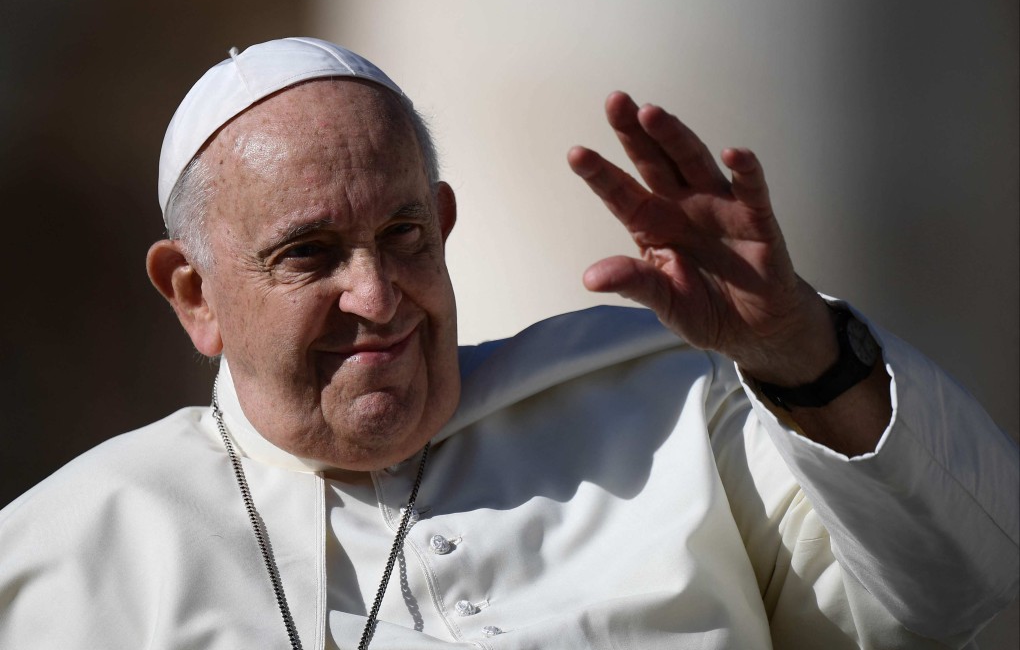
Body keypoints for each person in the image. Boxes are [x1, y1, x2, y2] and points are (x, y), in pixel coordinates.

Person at [0, 37, 1016, 650]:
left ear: (442, 221)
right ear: (194, 292)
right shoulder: (60, 561)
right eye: (310, 254)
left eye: (404, 235)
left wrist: (807, 353)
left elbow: (971, 600)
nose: (378, 294)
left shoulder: (673, 414)